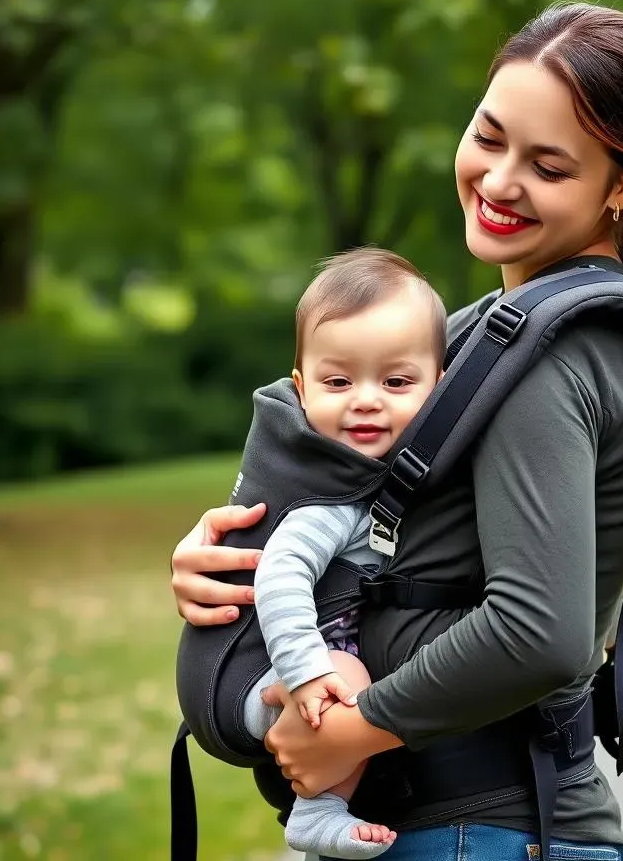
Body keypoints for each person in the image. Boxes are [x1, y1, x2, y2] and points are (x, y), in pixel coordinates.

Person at [171, 1, 623, 861]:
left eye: (548, 165)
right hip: (461, 826)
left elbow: (542, 631)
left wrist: (356, 732)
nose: (498, 182)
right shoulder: (490, 333)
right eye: (489, 137)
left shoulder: (554, 356)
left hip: (477, 828)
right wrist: (236, 557)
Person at [239, 247, 447, 859]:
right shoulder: (330, 501)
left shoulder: (389, 483)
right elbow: (278, 574)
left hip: (304, 675)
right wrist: (308, 671)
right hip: (278, 679)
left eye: (397, 381)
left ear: (440, 386)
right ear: (300, 390)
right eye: (337, 381)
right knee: (351, 680)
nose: (365, 399)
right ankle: (315, 815)